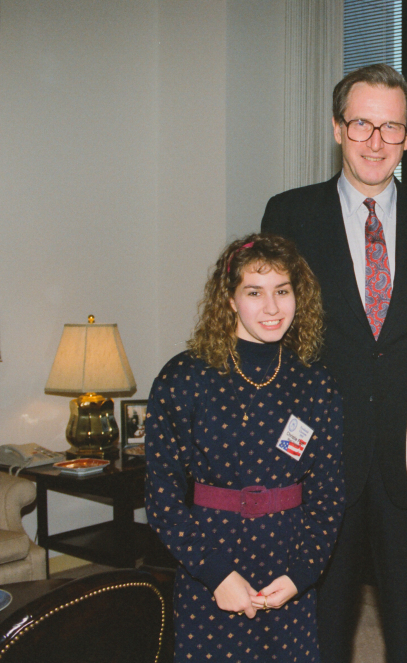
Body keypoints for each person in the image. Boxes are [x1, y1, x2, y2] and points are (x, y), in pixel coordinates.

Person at [260, 64, 407, 663]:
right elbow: (266, 336)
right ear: (337, 127)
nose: (376, 142)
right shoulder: (289, 215)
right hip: (318, 461)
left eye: (391, 127)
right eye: (362, 124)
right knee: (320, 628)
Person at [144, 233, 344, 663]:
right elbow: (162, 499)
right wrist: (216, 575)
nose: (272, 308)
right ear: (230, 300)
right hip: (211, 559)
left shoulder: (315, 383)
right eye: (254, 292)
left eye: (282, 291)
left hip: (288, 564)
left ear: (298, 297)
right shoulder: (184, 378)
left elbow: (328, 496)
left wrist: (302, 573)